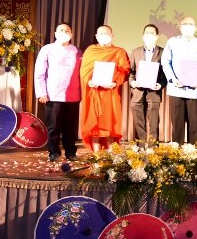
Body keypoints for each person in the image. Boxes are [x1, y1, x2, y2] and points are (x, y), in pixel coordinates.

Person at [34, 22, 82, 161]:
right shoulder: (47, 49)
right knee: (54, 127)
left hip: (73, 95)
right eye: (61, 30)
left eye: (67, 30)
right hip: (53, 94)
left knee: (70, 127)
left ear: (71, 34)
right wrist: (42, 92)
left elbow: (82, 73)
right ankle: (54, 152)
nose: (64, 33)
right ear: (55, 34)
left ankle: (70, 152)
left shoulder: (77, 51)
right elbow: (39, 73)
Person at [80, 25, 130, 152]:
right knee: (95, 124)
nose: (104, 36)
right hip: (94, 93)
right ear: (96, 36)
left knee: (111, 122)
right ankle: (96, 154)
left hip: (110, 93)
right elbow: (84, 71)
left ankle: (111, 153)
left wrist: (115, 82)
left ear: (112, 36)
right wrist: (89, 81)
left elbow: (124, 70)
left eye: (106, 33)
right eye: (101, 34)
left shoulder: (119, 51)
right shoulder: (90, 50)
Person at [161, 16, 197, 144]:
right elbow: (165, 61)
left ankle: (192, 153)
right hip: (176, 89)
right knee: (177, 125)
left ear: (195, 28)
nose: (188, 26)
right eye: (185, 24)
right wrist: (172, 78)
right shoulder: (172, 42)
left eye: (191, 24)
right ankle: (177, 153)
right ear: (180, 27)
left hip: (194, 90)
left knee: (194, 126)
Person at [129, 24, 167, 142]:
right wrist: (133, 82)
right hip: (138, 91)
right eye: (146, 33)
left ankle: (153, 147)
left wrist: (160, 85)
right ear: (143, 36)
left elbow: (166, 74)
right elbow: (131, 72)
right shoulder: (135, 52)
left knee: (154, 122)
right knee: (138, 121)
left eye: (152, 33)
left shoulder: (163, 52)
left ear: (157, 36)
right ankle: (140, 146)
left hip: (154, 92)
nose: (149, 35)